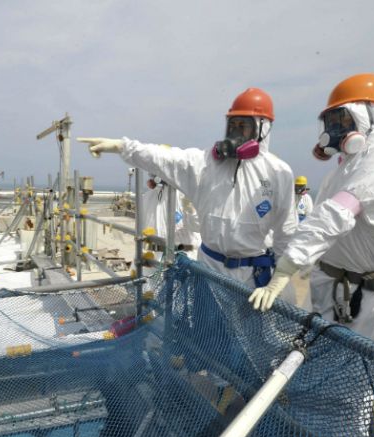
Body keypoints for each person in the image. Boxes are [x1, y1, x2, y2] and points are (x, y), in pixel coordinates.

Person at [248, 72, 374, 347]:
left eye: (342, 120)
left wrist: (285, 269)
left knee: (351, 385)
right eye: (332, 122)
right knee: (320, 373)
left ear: (370, 117)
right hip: (334, 290)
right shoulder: (346, 168)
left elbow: (334, 216)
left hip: (364, 299)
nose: (336, 129)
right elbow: (320, 220)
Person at [78, 87, 298, 301]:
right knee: (209, 334)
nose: (237, 133)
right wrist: (122, 146)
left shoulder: (278, 173)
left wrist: (279, 280)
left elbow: (286, 232)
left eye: (245, 126)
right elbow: (164, 157)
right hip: (209, 273)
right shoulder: (205, 164)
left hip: (253, 278)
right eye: (233, 125)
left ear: (263, 129)